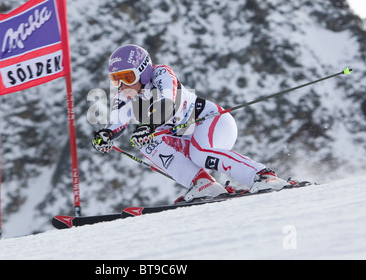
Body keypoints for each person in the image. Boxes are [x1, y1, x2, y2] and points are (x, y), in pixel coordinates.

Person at [92, 44, 289, 202]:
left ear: (143, 71)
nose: (123, 85)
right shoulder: (125, 94)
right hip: (186, 135)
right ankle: (203, 184)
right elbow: (118, 121)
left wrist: (148, 125)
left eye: (128, 77)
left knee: (199, 152)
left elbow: (167, 101)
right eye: (117, 79)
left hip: (212, 121)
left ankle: (264, 176)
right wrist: (106, 135)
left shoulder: (161, 74)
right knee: (145, 143)